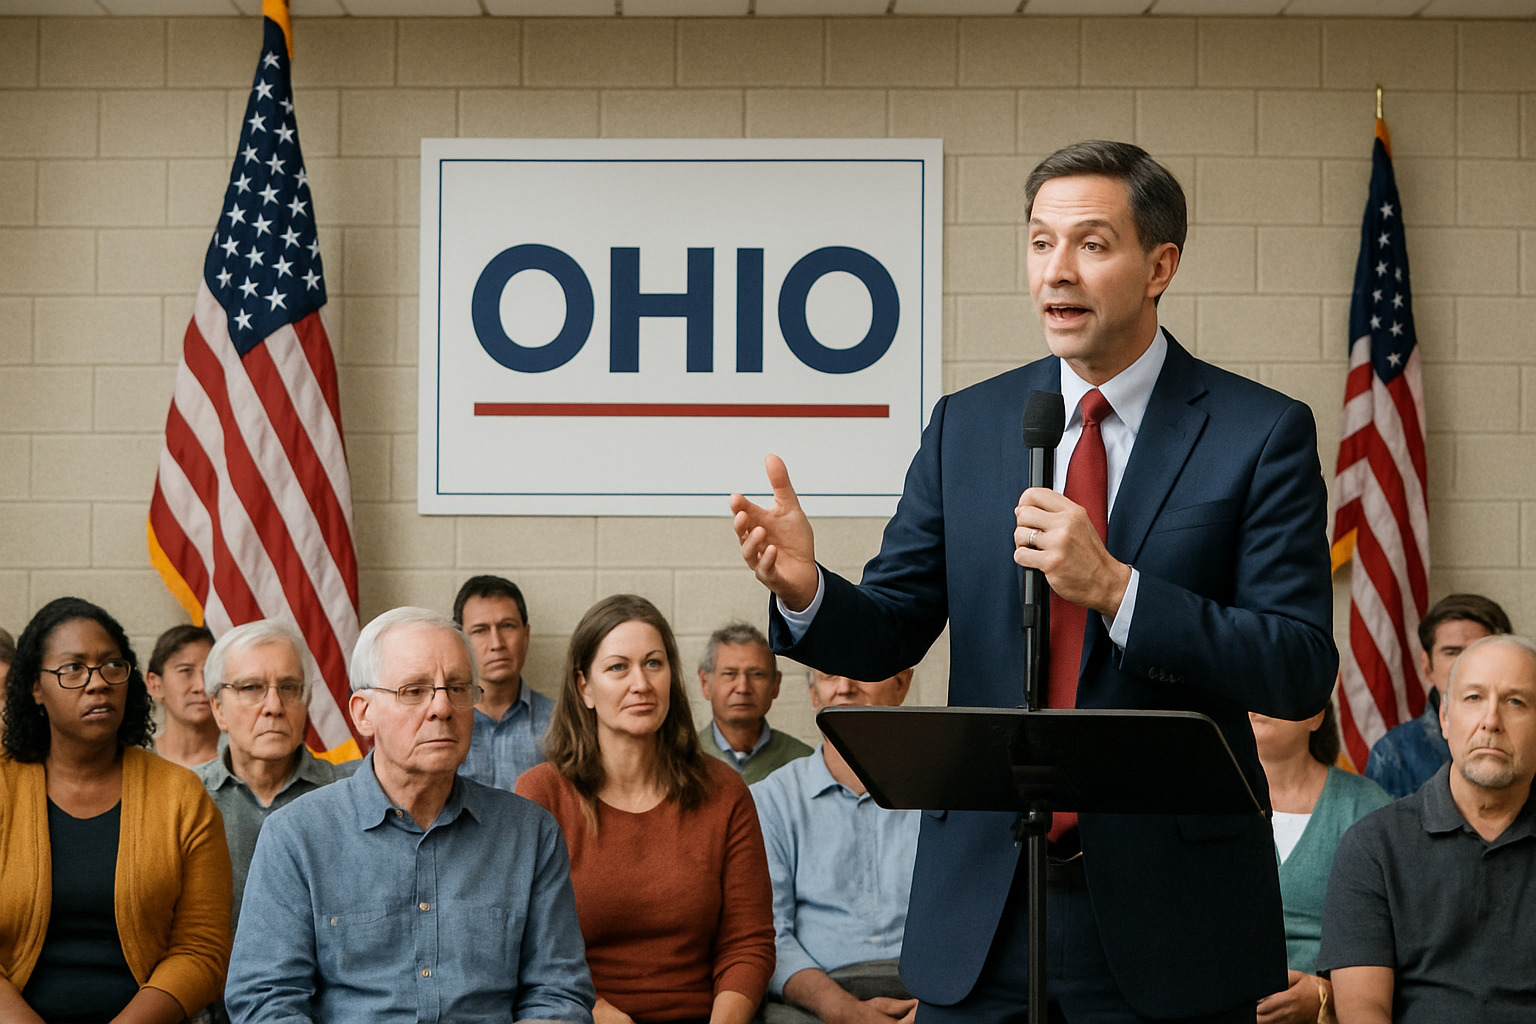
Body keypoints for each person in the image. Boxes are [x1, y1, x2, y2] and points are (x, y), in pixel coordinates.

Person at [730, 140, 1336, 1022]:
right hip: (980, 907)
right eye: (1040, 242)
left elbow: (1297, 663)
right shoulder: (968, 426)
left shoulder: (1260, 432)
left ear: (1160, 264)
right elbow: (894, 627)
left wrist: (1121, 591)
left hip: (1171, 915)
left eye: (1091, 244)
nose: (1058, 271)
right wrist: (804, 590)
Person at [224, 606, 594, 1023]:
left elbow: (558, 995)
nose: (441, 707)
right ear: (363, 712)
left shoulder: (529, 833)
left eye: (457, 688)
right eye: (414, 691)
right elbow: (265, 1000)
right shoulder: (296, 836)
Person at [518, 594, 774, 1024]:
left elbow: (748, 943)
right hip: (580, 1017)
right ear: (585, 687)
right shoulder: (543, 794)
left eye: (654, 664)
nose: (641, 683)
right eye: (618, 667)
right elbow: (529, 948)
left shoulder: (724, 790)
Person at [0, 596, 232, 1023]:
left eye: (112, 665)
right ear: (35, 686)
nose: (97, 682)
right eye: (73, 668)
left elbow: (202, 949)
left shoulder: (181, 795)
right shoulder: (3, 788)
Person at [1318, 635, 1536, 1022]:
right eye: (1473, 698)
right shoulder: (1374, 845)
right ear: (1445, 720)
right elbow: (1362, 1010)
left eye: (1515, 701)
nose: (1491, 721)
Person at [751, 668, 920, 1024]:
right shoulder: (771, 800)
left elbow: (972, 922)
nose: (844, 687)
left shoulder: (943, 791)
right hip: (814, 997)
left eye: (860, 668)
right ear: (814, 695)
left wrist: (938, 1007)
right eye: (828, 675)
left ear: (902, 683)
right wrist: (842, 1010)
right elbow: (768, 934)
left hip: (929, 991)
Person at [193, 619, 355, 932]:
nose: (274, 706)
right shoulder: (184, 799)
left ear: (306, 700)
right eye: (251, 688)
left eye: (288, 688)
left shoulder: (347, 798)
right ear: (218, 709)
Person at [1250, 703, 1389, 1024]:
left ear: (1315, 714)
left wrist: (1325, 996)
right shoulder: (1202, 804)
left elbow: (1404, 945)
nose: (1256, 701)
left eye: (1272, 686)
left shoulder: (1368, 808)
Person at [1365, 593, 1512, 799]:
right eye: (1451, 652)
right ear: (1427, 667)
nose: (1464, 663)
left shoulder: (1527, 741)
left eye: (1477, 651)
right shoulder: (1393, 753)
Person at [454, 574, 556, 789]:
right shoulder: (443, 720)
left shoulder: (559, 724)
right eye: (480, 630)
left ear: (526, 635)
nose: (496, 643)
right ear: (460, 640)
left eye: (507, 626)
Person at [697, 621, 811, 784]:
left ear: (775, 684)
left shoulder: (803, 762)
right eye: (730, 674)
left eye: (757, 674)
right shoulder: (682, 759)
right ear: (705, 683)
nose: (743, 688)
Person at [144, 623, 219, 768]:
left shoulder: (242, 761)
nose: (201, 686)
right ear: (155, 685)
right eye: (186, 671)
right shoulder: (136, 762)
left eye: (209, 672)